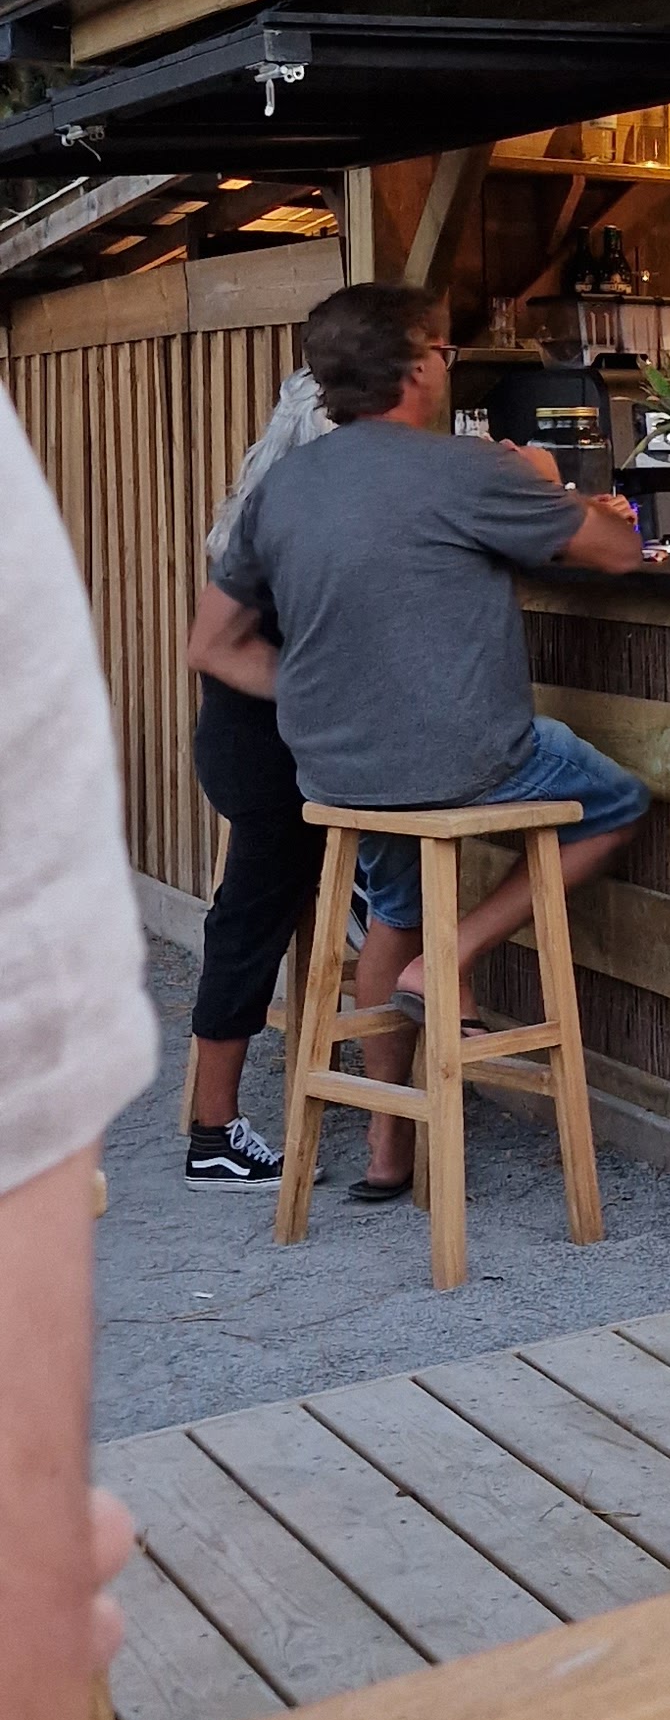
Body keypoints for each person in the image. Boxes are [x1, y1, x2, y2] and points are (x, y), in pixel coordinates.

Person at [194, 284, 650, 1199]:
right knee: (619, 803)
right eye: (445, 351)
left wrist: (329, 691)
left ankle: (386, 1149)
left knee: (396, 900)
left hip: (340, 774)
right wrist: (547, 482)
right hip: (468, 761)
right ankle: (450, 957)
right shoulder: (466, 470)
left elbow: (213, 644)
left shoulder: (284, 487)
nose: (449, 365)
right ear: (414, 365)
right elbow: (619, 551)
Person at [0, 386, 158, 1720]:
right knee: (597, 799)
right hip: (436, 781)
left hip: (311, 770)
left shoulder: (279, 490)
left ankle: (374, 1039)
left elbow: (224, 638)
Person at [177, 360, 331, 1184]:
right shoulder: (291, 520)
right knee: (251, 919)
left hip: (259, 747)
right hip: (270, 756)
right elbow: (211, 648)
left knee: (293, 903)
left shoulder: (265, 504)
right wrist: (331, 691)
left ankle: (355, 1072)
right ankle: (214, 1133)